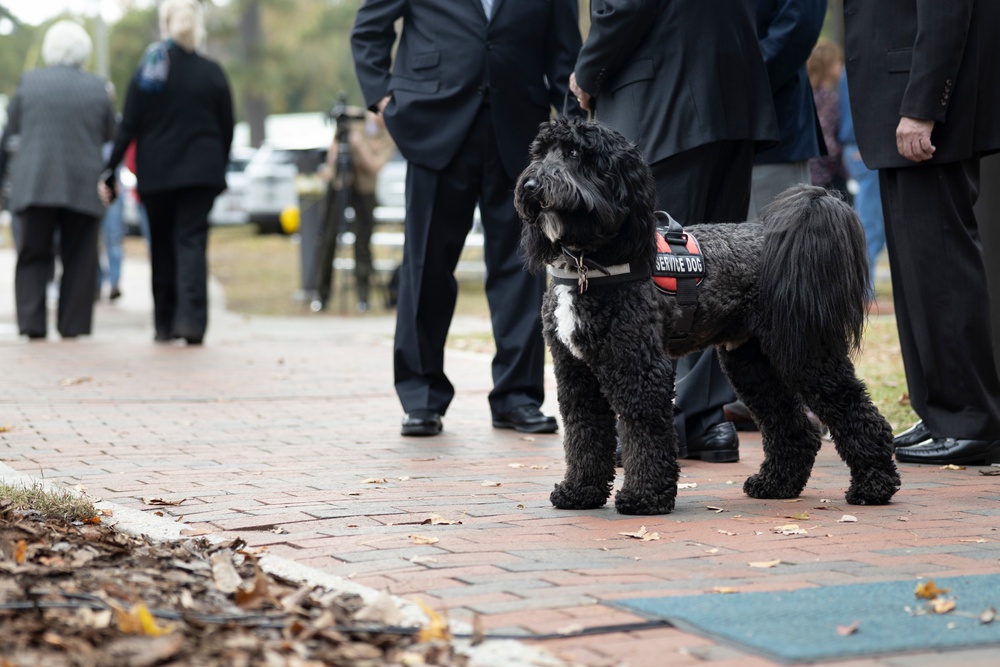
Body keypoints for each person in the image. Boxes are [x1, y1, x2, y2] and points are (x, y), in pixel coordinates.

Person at [351, 0, 583, 437]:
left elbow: (565, 53)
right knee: (425, 266)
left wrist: (569, 132)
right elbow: (369, 28)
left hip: (520, 131)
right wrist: (381, 95)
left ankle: (517, 396)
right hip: (432, 124)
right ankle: (420, 398)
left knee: (522, 267)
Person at [570, 0, 778, 462]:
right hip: (730, 90)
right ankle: (703, 420)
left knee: (650, 272)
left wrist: (588, 71)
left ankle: (658, 423)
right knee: (707, 271)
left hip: (661, 96)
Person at [844, 0, 1000, 465]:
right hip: (898, 102)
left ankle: (971, 420)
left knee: (942, 269)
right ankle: (940, 412)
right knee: (917, 273)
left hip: (921, 105)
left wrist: (924, 104)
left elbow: (947, 10)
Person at [101, 0, 234, 345]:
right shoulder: (212, 72)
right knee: (191, 243)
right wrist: (219, 166)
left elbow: (128, 124)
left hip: (157, 175)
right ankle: (191, 322)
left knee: (161, 246)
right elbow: (226, 127)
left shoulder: (148, 73)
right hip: (201, 176)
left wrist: (108, 169)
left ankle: (164, 323)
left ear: (165, 25)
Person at [722, 0, 827, 433]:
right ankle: (755, 391)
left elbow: (799, 25)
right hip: (723, 129)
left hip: (775, 124)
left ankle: (807, 391)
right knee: (735, 270)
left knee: (787, 269)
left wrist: (729, 81)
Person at [2, 20, 116, 340]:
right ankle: (73, 325)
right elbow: (109, 132)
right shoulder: (98, 87)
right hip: (82, 183)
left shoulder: (30, 81)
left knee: (33, 254)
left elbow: (13, 126)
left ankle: (31, 322)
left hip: (36, 182)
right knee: (80, 257)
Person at [311, 109, 395, 314]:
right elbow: (334, 148)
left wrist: (358, 145)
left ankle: (363, 296)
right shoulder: (354, 119)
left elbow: (375, 166)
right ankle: (321, 294)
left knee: (363, 242)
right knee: (327, 238)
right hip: (340, 182)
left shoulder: (388, 134)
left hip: (365, 189)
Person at [837, 69, 885, 300]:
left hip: (855, 146)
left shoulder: (851, 66)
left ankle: (862, 287)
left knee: (871, 222)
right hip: (862, 146)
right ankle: (862, 290)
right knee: (870, 224)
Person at [807, 38, 848, 199]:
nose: (841, 66)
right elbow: (825, 136)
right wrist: (840, 159)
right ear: (828, 65)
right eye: (838, 61)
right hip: (826, 173)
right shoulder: (827, 98)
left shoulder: (811, 94)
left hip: (812, 168)